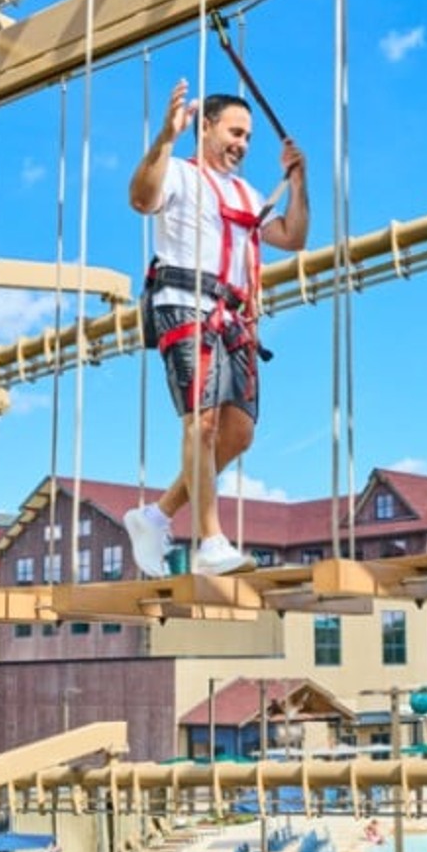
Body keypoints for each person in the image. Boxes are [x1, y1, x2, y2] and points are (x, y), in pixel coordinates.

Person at [124, 80, 309, 576]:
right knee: (201, 424)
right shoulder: (179, 176)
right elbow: (141, 199)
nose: (242, 144)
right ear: (204, 128)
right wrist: (165, 138)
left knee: (238, 434)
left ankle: (156, 516)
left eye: (248, 137)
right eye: (235, 132)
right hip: (184, 302)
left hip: (233, 317)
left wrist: (298, 183)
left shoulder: (247, 193)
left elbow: (292, 237)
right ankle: (210, 542)